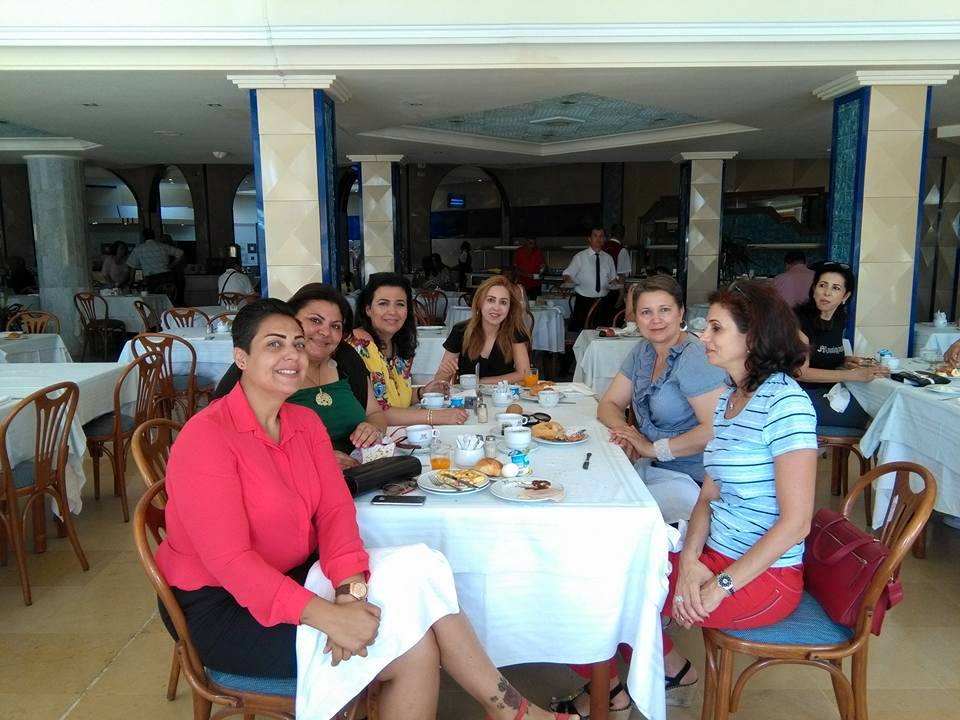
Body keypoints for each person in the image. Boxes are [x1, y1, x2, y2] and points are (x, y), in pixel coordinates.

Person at [155, 299, 578, 720]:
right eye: (274, 344)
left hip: (296, 574)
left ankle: (513, 712)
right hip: (223, 608)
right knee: (415, 649)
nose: (292, 355)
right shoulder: (207, 437)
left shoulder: (303, 422)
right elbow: (231, 562)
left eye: (298, 344)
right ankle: (514, 712)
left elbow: (335, 513)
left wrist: (349, 594)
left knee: (423, 565)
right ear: (241, 357)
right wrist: (328, 617)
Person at [212, 283, 387, 469]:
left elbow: (375, 413)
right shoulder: (261, 371)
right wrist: (312, 460)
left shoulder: (347, 359)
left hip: (359, 473)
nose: (325, 332)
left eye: (335, 326)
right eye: (315, 320)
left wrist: (373, 429)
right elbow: (231, 443)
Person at [598, 275, 726, 484]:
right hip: (652, 469)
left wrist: (651, 449)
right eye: (646, 312)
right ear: (636, 318)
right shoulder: (643, 351)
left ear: (680, 312)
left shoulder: (696, 357)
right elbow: (609, 403)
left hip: (693, 480)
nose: (655, 320)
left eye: (664, 310)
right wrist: (627, 434)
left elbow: (714, 429)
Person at [348, 273, 468, 426]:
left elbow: (394, 398)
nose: (392, 311)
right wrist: (435, 416)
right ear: (368, 309)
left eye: (400, 304)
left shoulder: (397, 345)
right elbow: (377, 412)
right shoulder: (360, 344)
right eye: (383, 303)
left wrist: (422, 392)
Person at [794, 262, 888, 428]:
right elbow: (800, 372)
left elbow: (821, 355)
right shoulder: (798, 321)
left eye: (836, 288)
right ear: (814, 289)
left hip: (829, 391)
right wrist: (855, 375)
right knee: (873, 417)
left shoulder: (839, 319)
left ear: (845, 296)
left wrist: (846, 360)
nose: (827, 293)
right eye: (822, 285)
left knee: (879, 409)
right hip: (798, 395)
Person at [433, 275, 531, 385]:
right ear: (480, 302)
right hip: (466, 395)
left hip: (502, 395)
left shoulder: (514, 332)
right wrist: (444, 375)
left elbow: (524, 373)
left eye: (503, 302)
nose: (496, 308)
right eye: (490, 300)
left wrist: (480, 382)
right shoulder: (460, 331)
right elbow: (440, 381)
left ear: (510, 308)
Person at [563, 226, 618, 330]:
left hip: (603, 302)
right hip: (584, 302)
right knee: (581, 333)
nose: (598, 239)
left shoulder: (608, 258)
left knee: (601, 333)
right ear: (589, 239)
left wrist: (615, 283)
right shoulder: (580, 257)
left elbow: (613, 279)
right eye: (595, 236)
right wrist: (568, 280)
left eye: (601, 236)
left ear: (604, 239)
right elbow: (567, 273)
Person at [127, 228, 183, 296]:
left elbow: (132, 266)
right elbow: (181, 253)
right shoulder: (162, 246)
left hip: (152, 278)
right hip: (167, 277)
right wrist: (171, 265)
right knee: (169, 298)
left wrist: (131, 281)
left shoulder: (138, 249)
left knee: (154, 298)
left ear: (143, 237)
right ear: (154, 236)